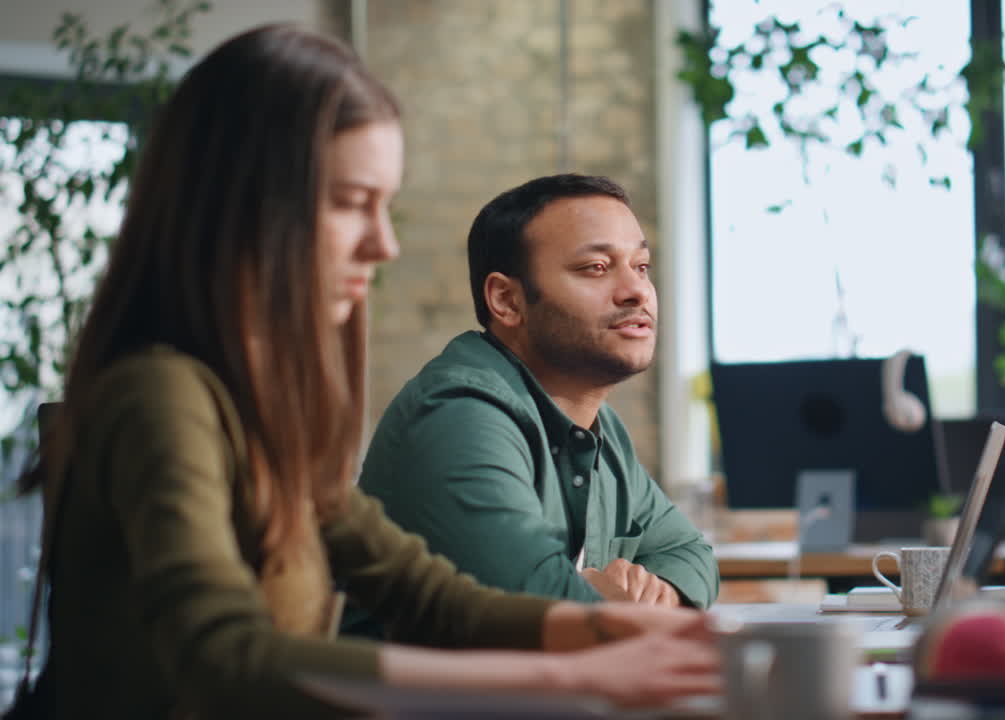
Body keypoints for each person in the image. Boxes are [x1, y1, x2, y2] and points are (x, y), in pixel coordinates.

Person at [15, 24, 717, 720]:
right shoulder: (161, 394)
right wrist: (568, 672)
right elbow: (226, 656)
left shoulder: (266, 405)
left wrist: (623, 635)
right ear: (247, 206)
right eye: (353, 204)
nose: (384, 244)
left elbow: (427, 595)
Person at [356, 174, 719, 608]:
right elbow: (539, 604)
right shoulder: (459, 415)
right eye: (596, 268)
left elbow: (693, 556)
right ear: (507, 301)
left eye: (641, 266)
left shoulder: (602, 430)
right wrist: (599, 600)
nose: (636, 291)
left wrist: (655, 593)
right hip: (421, 678)